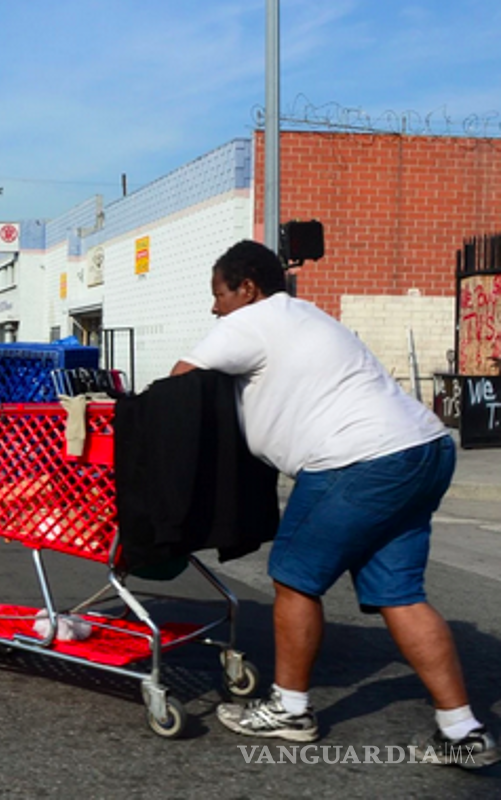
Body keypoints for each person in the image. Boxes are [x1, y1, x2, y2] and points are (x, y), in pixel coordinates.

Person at [171, 240, 496, 769]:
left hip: (358, 459)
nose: (214, 308)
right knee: (400, 591)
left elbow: (176, 387)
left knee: (294, 576)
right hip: (425, 449)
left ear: (246, 288)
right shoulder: (307, 316)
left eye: (219, 295)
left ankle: (291, 709)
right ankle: (461, 728)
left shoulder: (252, 319)